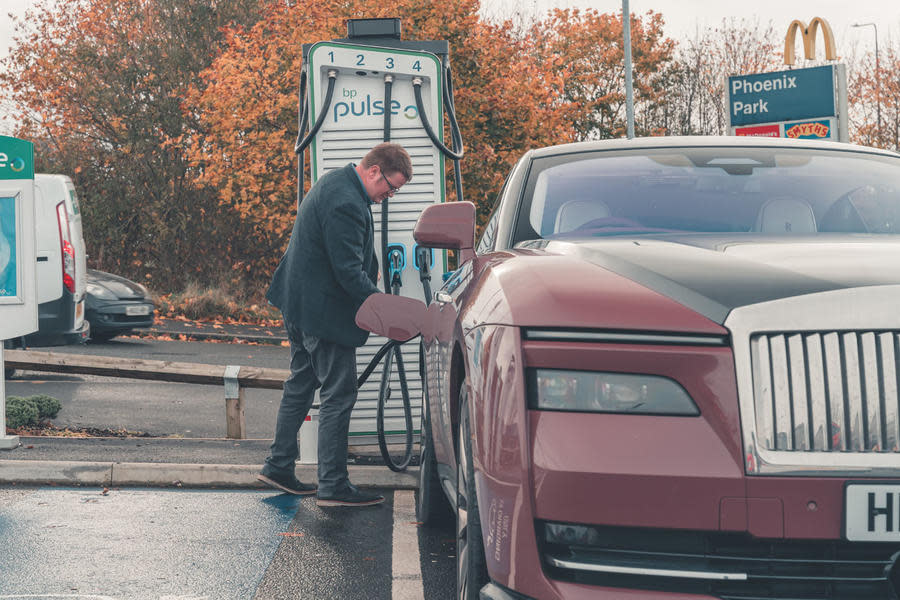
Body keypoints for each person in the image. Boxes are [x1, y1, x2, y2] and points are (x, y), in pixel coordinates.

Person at [258, 142, 412, 506]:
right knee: (338, 394)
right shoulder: (346, 201)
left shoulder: (336, 184)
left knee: (301, 384)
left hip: (298, 305)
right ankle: (332, 485)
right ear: (374, 170)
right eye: (390, 187)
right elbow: (347, 272)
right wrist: (387, 312)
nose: (388, 196)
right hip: (322, 313)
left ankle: (278, 465)